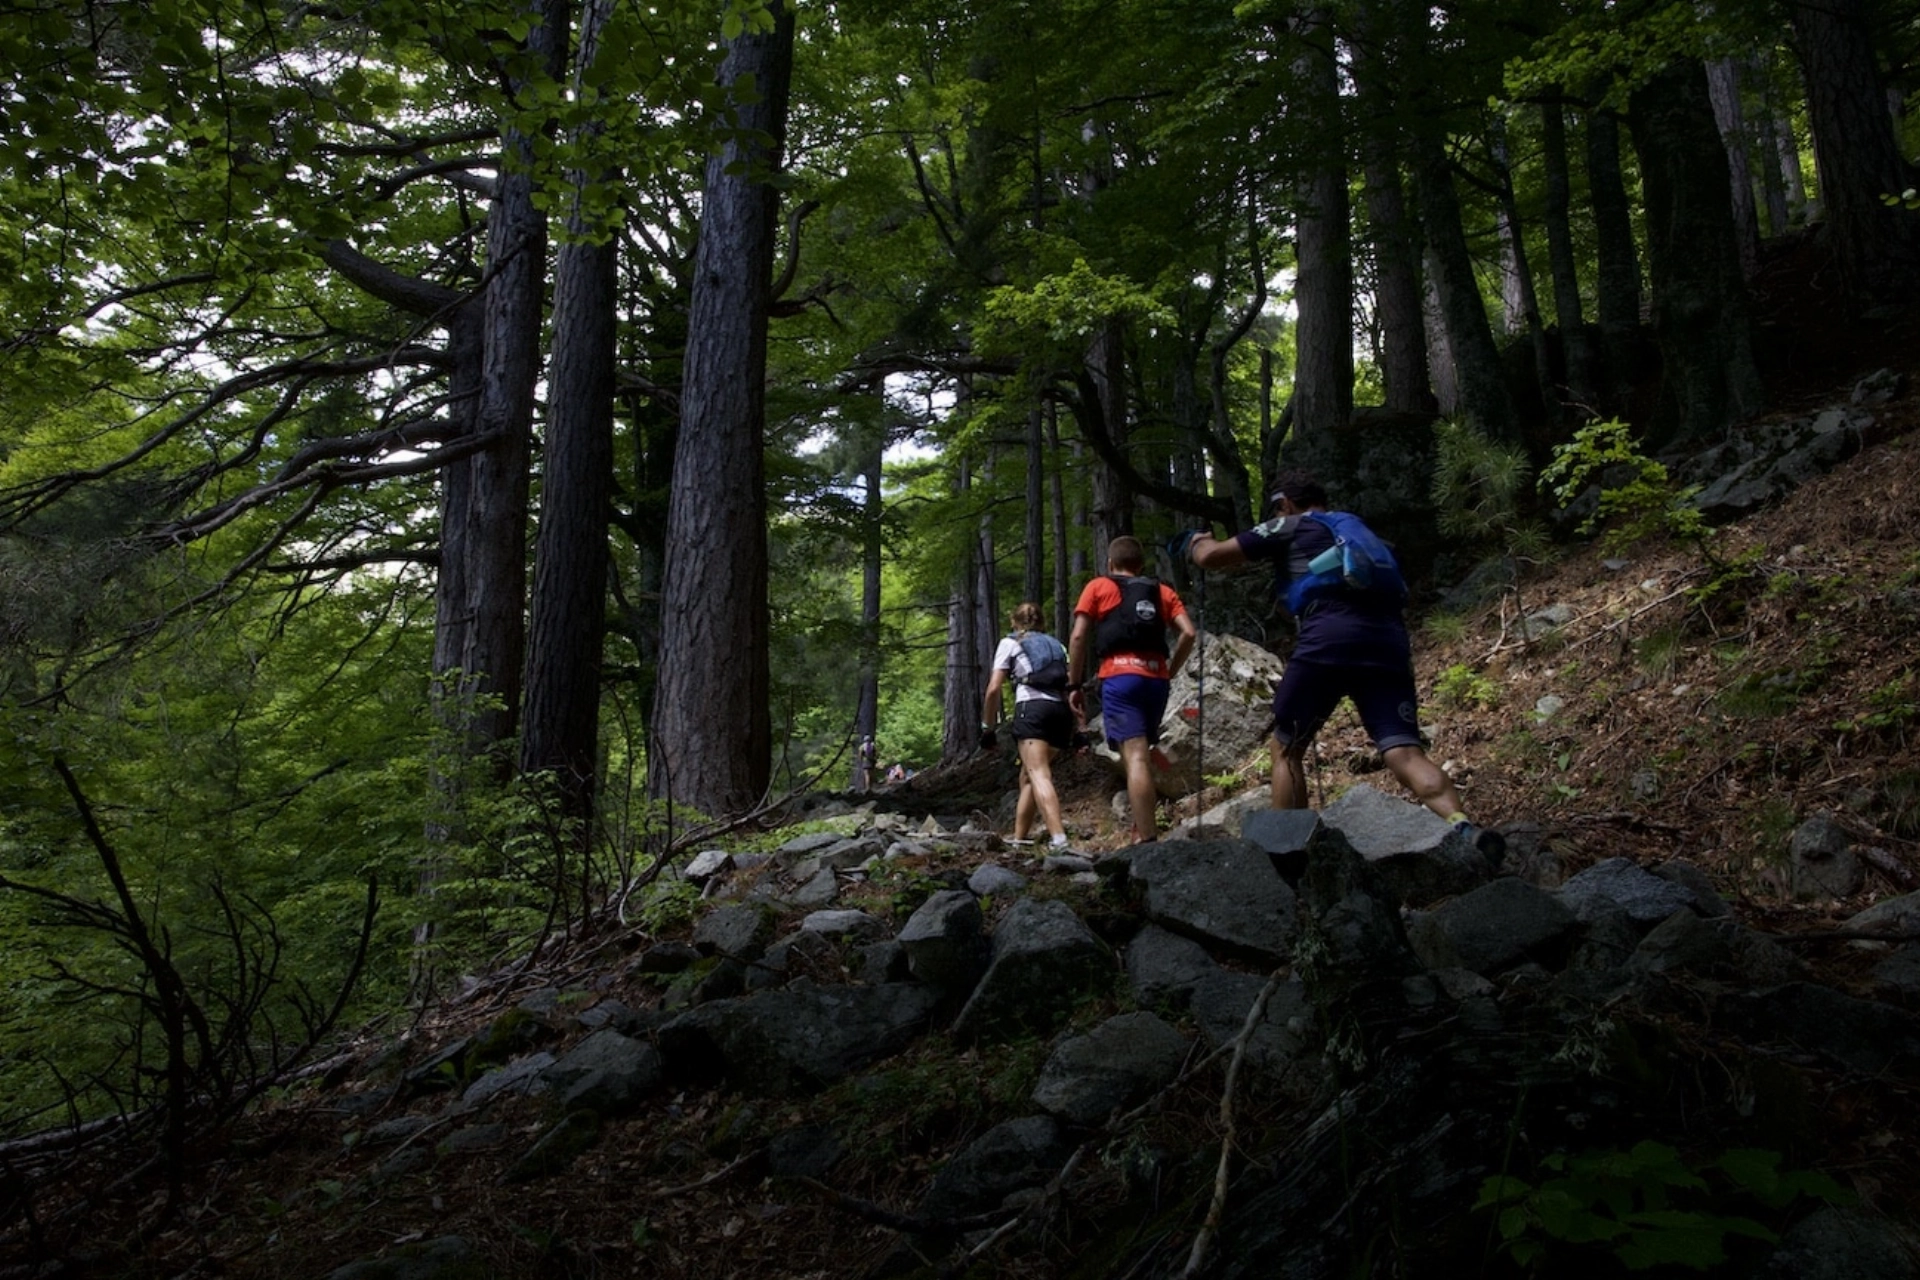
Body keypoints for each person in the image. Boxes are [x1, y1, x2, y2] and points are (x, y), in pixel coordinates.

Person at [1180, 468, 1503, 861]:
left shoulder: (1290, 524)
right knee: (1405, 753)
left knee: (1287, 747)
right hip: (1387, 638)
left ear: (1284, 504)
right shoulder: (1355, 530)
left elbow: (1212, 558)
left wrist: (1195, 542)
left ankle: (1290, 856)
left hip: (1329, 634)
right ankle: (1463, 826)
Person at [1067, 536, 1198, 844]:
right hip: (1155, 680)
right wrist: (1170, 671)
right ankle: (1141, 828)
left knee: (1135, 756)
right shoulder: (1162, 591)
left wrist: (1073, 685)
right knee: (1140, 754)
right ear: (1141, 566)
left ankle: (1149, 840)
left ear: (1111, 564)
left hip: (1120, 676)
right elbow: (1189, 633)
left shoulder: (1098, 587)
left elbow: (1078, 638)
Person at [981, 602, 1077, 850]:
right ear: (1041, 622)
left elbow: (993, 689)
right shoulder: (1057, 645)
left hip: (1032, 709)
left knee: (1039, 774)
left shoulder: (1010, 643)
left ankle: (1059, 839)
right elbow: (1069, 685)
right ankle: (1019, 839)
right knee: (1027, 777)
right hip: (1061, 713)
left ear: (1014, 621)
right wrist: (1081, 726)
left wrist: (987, 726)